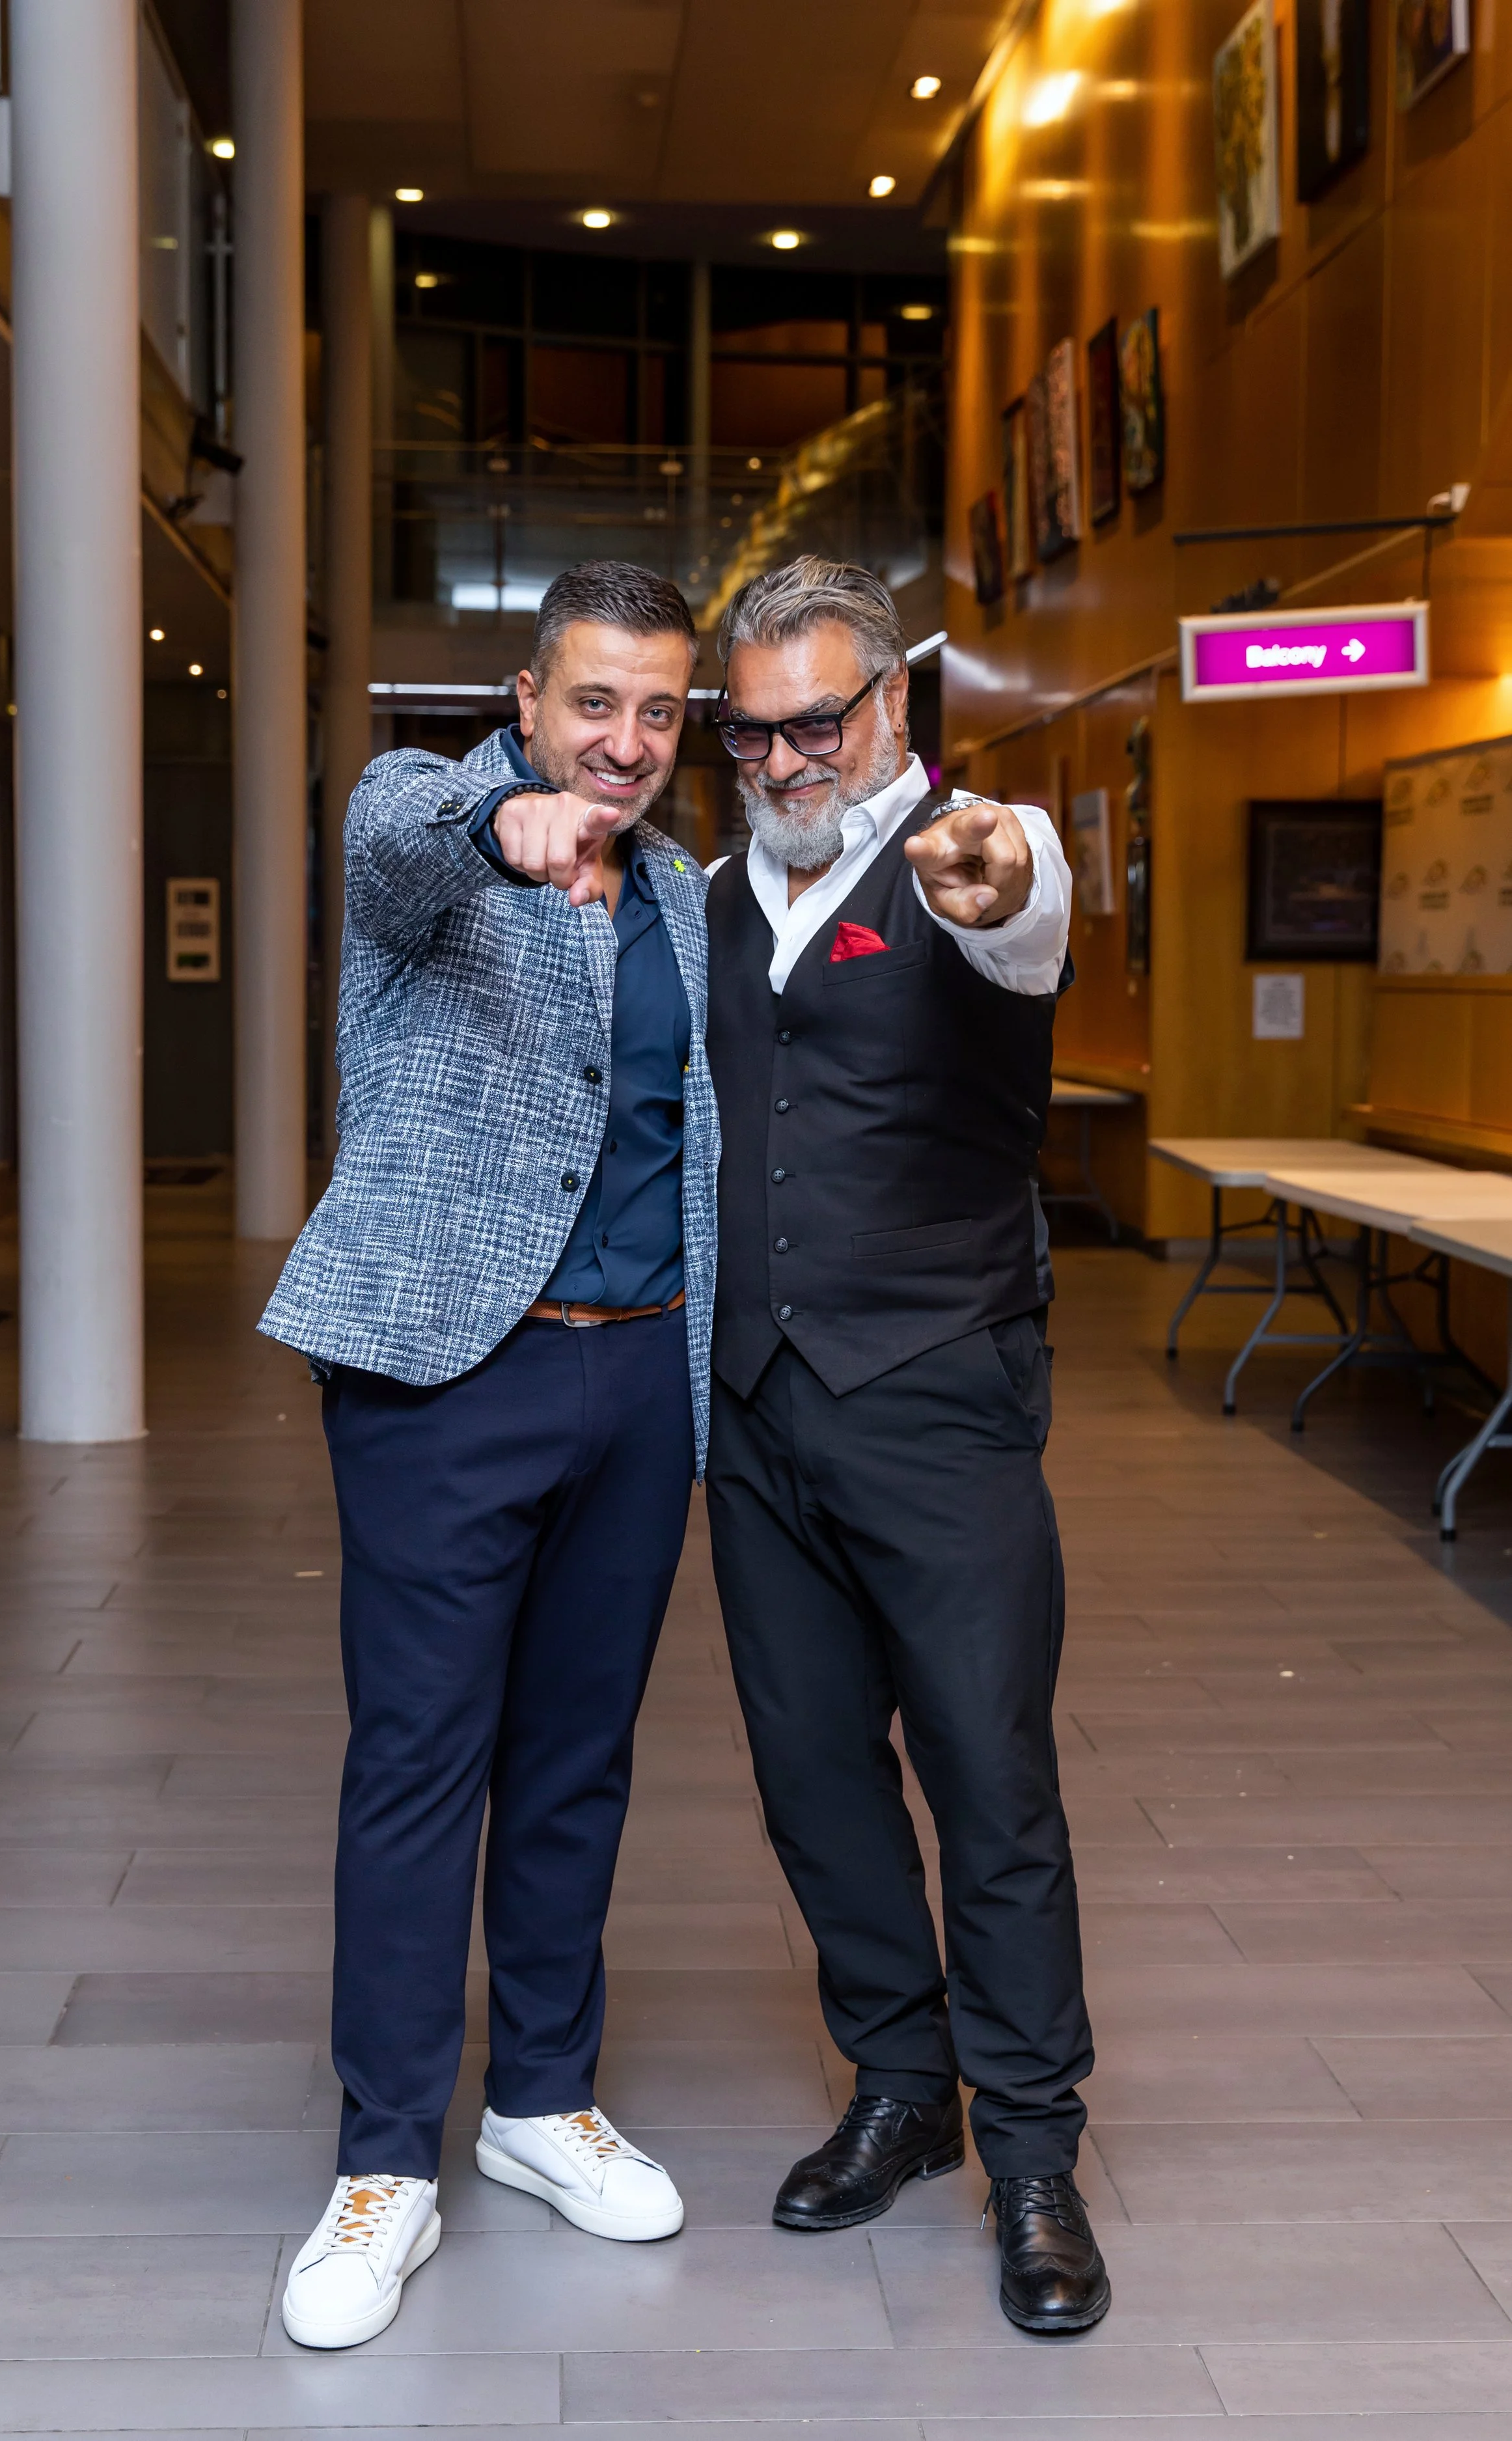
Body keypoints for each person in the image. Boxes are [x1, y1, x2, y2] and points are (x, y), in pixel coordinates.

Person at [258, 561, 717, 2351]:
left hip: (636, 1387)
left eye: (657, 710)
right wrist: (504, 819)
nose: (622, 740)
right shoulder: (424, 810)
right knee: (419, 1761)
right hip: (450, 1375)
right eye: (591, 701)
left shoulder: (684, 888)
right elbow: (400, 841)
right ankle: (385, 2161)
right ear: (527, 698)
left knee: (576, 1760)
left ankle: (537, 2101)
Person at [702, 557, 1110, 2335]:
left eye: (821, 721)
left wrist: (995, 867)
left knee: (987, 1780)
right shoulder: (714, 890)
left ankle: (1031, 2157)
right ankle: (900, 2084)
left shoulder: (975, 849)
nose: (790, 759)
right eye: (756, 728)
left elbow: (1015, 904)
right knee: (810, 1773)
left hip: (938, 1389)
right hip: (753, 1406)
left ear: (890, 708)